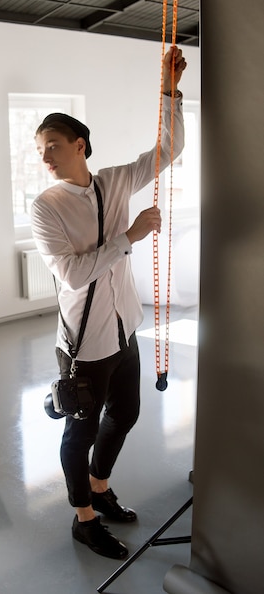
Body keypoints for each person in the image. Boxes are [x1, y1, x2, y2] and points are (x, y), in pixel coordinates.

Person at [31, 46, 187, 560]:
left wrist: (168, 91)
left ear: (80, 146)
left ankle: (100, 487)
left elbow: (167, 151)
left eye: (53, 145)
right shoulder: (45, 207)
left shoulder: (115, 181)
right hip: (85, 345)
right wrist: (130, 235)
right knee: (82, 430)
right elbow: (73, 276)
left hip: (125, 329)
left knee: (127, 414)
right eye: (40, 150)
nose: (45, 157)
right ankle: (84, 519)